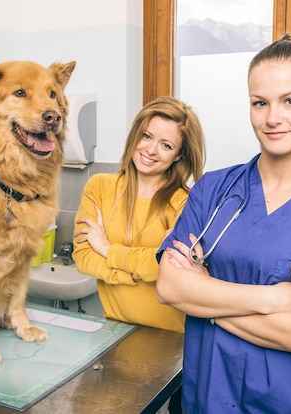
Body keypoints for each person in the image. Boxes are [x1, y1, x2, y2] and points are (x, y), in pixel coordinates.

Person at [156, 33, 291, 413]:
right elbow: (170, 287)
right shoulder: (214, 190)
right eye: (260, 103)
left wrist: (205, 296)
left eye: (290, 100)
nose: (273, 118)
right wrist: (273, 299)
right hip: (209, 399)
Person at [73, 96, 206, 414]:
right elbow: (82, 257)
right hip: (115, 334)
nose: (150, 150)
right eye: (147, 136)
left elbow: (170, 270)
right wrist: (142, 263)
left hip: (173, 341)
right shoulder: (100, 187)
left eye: (165, 145)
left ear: (178, 156)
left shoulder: (184, 202)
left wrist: (107, 249)